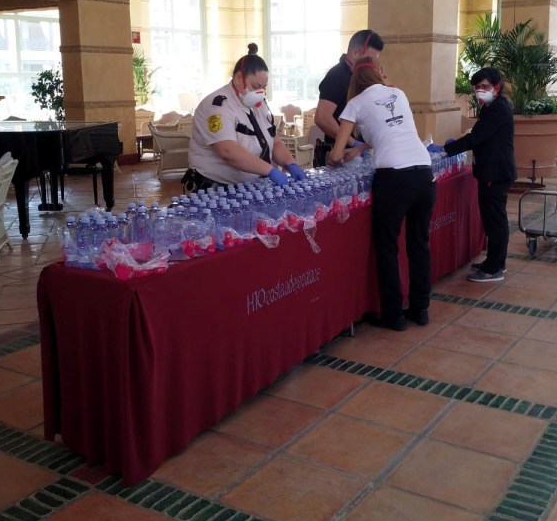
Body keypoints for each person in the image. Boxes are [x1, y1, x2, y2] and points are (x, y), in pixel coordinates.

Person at [328, 56, 435, 331]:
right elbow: (393, 130)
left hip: (394, 177)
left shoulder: (355, 103)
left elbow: (337, 154)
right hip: (423, 171)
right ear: (379, 75)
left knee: (387, 246)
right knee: (419, 243)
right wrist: (362, 148)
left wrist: (337, 156)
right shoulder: (398, 93)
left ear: (355, 80)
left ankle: (393, 315)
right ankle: (421, 308)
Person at [184, 44, 307, 191]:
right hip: (214, 188)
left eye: (264, 87)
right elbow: (228, 151)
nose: (260, 92)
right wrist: (270, 171)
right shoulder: (217, 106)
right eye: (255, 86)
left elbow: (275, 142)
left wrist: (291, 164)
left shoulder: (258, 105)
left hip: (248, 187)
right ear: (238, 78)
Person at [438, 67, 515, 282]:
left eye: (485, 87)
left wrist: (447, 150)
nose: (480, 91)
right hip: (491, 170)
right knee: (492, 220)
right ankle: (494, 260)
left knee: (495, 221)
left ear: (497, 87)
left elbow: (477, 137)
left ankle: (495, 267)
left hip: (495, 172)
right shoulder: (491, 107)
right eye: (477, 87)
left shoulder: (498, 108)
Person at [314, 29, 385, 165]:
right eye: (369, 60)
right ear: (355, 53)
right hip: (342, 154)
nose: (373, 66)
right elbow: (322, 118)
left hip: (361, 151)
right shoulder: (337, 76)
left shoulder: (360, 77)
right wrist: (352, 142)